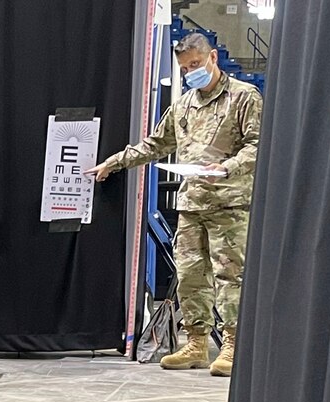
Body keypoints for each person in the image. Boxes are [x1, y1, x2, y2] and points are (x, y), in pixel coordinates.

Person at [88, 32, 262, 377]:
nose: (190, 73)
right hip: (191, 204)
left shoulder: (244, 97)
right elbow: (156, 144)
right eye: (184, 69)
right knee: (190, 277)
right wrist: (116, 161)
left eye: (195, 65)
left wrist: (226, 167)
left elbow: (258, 144)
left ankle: (232, 344)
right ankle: (197, 344)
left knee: (231, 276)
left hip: (230, 204)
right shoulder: (183, 105)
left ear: (213, 57)